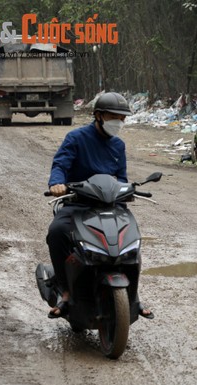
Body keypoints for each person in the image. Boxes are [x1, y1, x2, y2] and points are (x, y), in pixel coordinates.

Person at [46, 91, 153, 319]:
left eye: (122, 118)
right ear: (98, 115)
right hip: (78, 203)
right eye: (114, 117)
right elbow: (60, 165)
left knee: (130, 242)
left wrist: (127, 190)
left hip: (111, 205)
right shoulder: (76, 138)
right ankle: (65, 292)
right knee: (56, 232)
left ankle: (133, 297)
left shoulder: (118, 146)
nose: (119, 122)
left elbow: (121, 177)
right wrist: (57, 184)